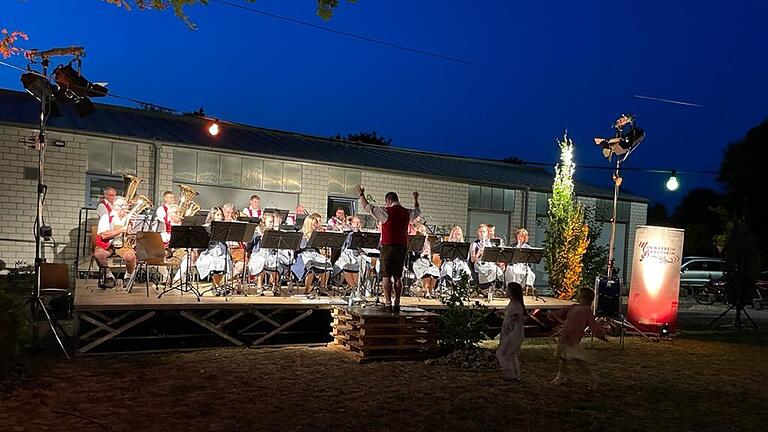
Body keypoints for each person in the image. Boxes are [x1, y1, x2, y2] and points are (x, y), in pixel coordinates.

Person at [356, 185, 421, 312]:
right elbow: (418, 211)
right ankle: (397, 301)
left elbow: (367, 207)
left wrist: (361, 194)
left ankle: (387, 301)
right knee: (398, 276)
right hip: (402, 247)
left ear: (388, 200)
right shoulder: (407, 213)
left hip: (388, 246)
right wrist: (416, 199)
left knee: (386, 276)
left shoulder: (386, 212)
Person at [548, 288, 608, 387]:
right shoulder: (575, 308)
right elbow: (562, 312)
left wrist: (600, 335)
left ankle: (592, 378)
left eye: (579, 295)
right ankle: (561, 376)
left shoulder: (585, 311)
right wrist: (552, 315)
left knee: (577, 360)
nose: (577, 296)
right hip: (566, 336)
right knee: (563, 357)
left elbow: (594, 326)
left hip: (571, 339)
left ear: (583, 298)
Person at [94, 196, 138, 289]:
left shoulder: (129, 218)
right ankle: (108, 275)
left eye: (125, 205)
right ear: (114, 206)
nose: (125, 207)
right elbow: (104, 235)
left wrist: (133, 230)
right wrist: (122, 229)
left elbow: (134, 236)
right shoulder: (106, 217)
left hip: (123, 245)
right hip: (108, 245)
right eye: (122, 205)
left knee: (131, 257)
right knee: (98, 254)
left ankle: (129, 276)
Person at [292, 213, 331, 295]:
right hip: (303, 255)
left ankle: (323, 287)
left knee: (327, 263)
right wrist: (305, 238)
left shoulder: (315, 233)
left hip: (314, 253)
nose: (316, 226)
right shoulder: (301, 233)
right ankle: (307, 289)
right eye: (314, 225)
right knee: (310, 265)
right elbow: (299, 248)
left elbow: (319, 247)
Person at [497, 282, 525, 382]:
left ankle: (510, 375)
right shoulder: (513, 303)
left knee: (502, 353)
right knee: (511, 354)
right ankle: (515, 375)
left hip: (513, 333)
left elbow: (520, 318)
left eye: (507, 290)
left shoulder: (516, 305)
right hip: (510, 332)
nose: (506, 292)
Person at [334, 216, 365, 290]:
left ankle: (356, 288)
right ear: (351, 223)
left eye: (359, 222)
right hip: (347, 254)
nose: (357, 224)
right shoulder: (347, 232)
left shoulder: (362, 234)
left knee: (360, 266)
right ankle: (353, 288)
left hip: (357, 254)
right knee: (345, 265)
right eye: (355, 222)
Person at [412, 223, 440, 298]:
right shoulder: (415, 241)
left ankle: (431, 290)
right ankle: (426, 290)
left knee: (435, 271)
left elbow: (429, 255)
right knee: (427, 271)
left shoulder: (427, 243)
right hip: (417, 261)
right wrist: (422, 252)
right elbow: (413, 254)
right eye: (422, 231)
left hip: (426, 261)